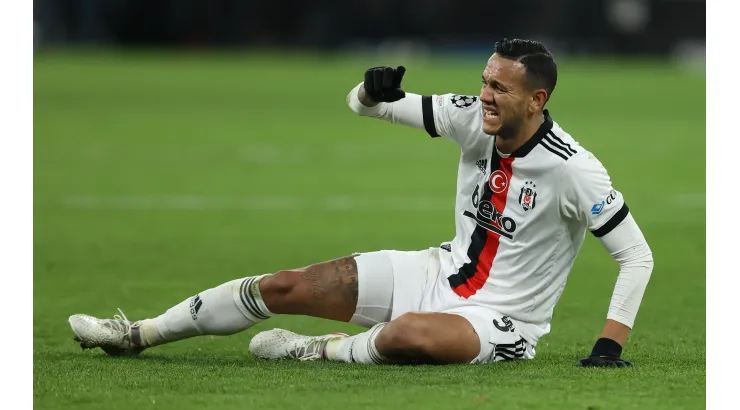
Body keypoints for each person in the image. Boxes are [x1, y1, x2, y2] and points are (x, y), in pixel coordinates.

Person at [69, 38, 653, 367]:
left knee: (409, 337)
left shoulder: (575, 169)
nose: (485, 96)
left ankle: (319, 350)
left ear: (538, 98)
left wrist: (608, 345)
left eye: (500, 88)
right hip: (437, 271)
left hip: (502, 321)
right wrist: (370, 90)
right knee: (283, 287)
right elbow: (366, 107)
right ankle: (137, 334)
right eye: (484, 81)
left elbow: (636, 257)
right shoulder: (472, 117)